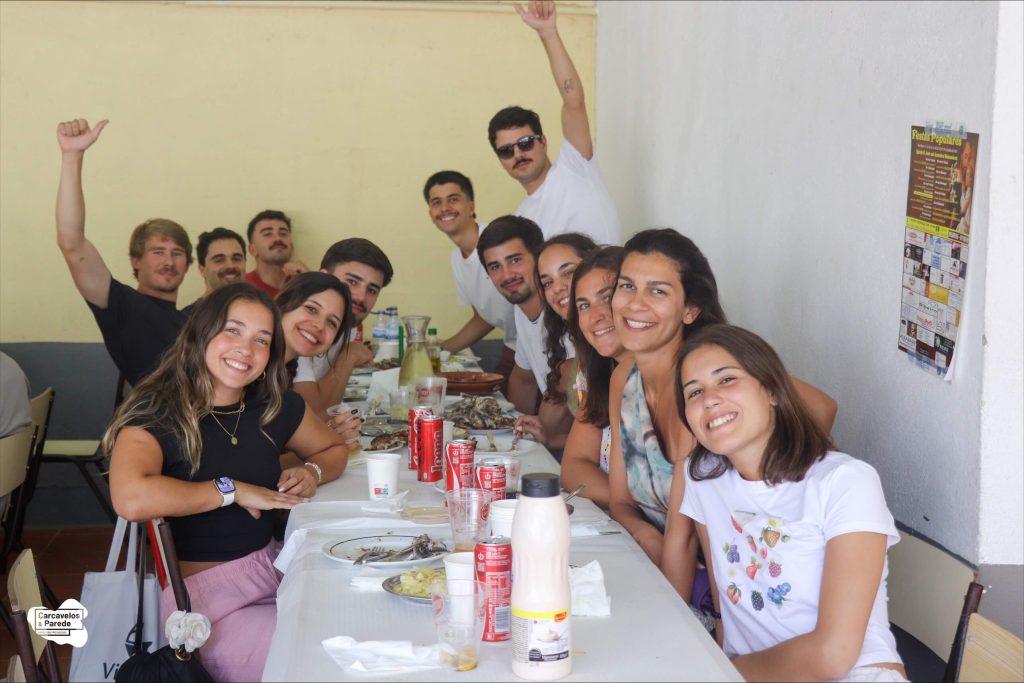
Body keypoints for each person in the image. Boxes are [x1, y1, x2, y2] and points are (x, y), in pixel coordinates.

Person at [104, 283, 349, 682]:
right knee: (328, 657)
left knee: (357, 620)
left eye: (261, 340)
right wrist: (231, 490)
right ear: (201, 333)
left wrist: (312, 472)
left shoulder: (272, 405)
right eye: (232, 330)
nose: (245, 349)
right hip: (210, 609)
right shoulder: (157, 411)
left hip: (278, 573)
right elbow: (130, 498)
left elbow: (333, 448)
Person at [607, 228, 838, 609]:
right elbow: (620, 502)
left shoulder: (704, 394)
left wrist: (776, 490)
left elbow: (821, 407)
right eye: (627, 286)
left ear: (690, 310)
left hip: (724, 585)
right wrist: (647, 537)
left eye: (658, 291)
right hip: (652, 562)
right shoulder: (624, 380)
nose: (635, 304)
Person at [678, 324, 906, 682]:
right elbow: (726, 597)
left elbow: (833, 654)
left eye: (727, 380)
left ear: (772, 390)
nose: (709, 399)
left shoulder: (844, 481)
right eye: (694, 392)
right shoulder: (704, 478)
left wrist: (721, 674)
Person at [55, 118, 193, 386]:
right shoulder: (121, 305)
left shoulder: (189, 319)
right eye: (158, 251)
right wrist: (72, 156)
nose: (169, 261)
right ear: (136, 261)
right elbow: (71, 242)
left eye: (177, 253)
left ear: (188, 265)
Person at [488, 0, 620, 246]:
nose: (518, 154)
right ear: (500, 160)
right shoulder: (521, 221)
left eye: (525, 143)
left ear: (543, 142)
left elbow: (573, 102)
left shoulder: (575, 168)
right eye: (506, 150)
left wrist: (548, 35)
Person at [423, 171, 517, 378]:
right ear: (431, 214)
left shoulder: (497, 241)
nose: (444, 208)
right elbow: (483, 318)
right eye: (436, 202)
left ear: (471, 207)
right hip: (514, 346)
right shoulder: (456, 258)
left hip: (542, 344)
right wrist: (437, 350)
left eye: (453, 199)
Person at [513, 233, 597, 451]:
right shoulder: (575, 362)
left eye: (568, 273)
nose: (557, 288)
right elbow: (598, 443)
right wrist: (550, 439)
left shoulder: (621, 351)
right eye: (548, 282)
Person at [291, 239, 392, 417]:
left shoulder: (348, 322)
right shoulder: (300, 324)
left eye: (372, 290)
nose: (361, 297)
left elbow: (329, 408)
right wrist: (349, 355)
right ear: (324, 276)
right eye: (352, 281)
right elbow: (314, 413)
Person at [559, 246, 627, 510]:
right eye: (584, 305)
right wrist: (627, 510)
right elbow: (573, 467)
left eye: (607, 298)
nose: (596, 316)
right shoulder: (602, 373)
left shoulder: (677, 375)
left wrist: (631, 512)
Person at [477, 216, 551, 414]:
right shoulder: (521, 311)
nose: (507, 275)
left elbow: (562, 395)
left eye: (515, 260)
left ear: (539, 258)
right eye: (495, 267)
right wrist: (514, 427)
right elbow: (523, 379)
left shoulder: (561, 310)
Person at [244, 210, 309, 298]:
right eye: (267, 234)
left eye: (283, 233)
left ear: (292, 247)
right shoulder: (242, 288)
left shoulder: (303, 283)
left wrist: (309, 279)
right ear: (252, 250)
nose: (278, 238)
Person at [196, 227, 247, 297]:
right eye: (219, 260)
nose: (230, 266)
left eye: (236, 259)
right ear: (202, 270)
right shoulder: (197, 306)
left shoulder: (259, 303)